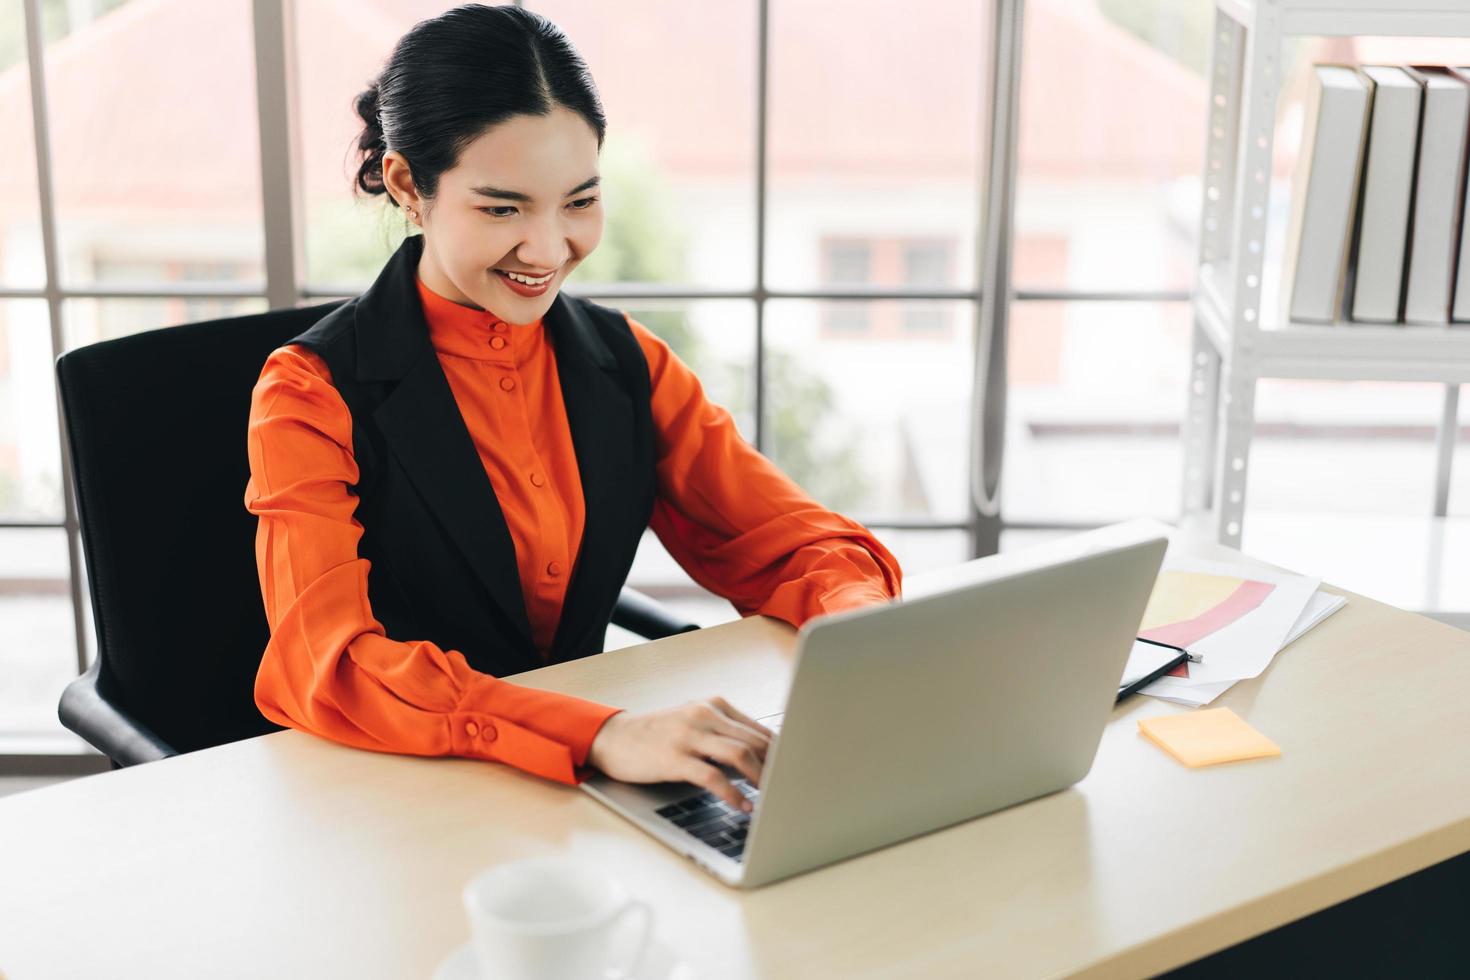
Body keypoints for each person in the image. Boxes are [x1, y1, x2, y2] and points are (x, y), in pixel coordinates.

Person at [244, 3, 901, 813]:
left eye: (579, 201)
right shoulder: (308, 393)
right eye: (502, 208)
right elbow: (330, 664)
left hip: (583, 802)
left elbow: (795, 545)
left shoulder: (627, 362)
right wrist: (598, 732)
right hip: (399, 799)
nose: (549, 251)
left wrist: (864, 640)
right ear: (409, 184)